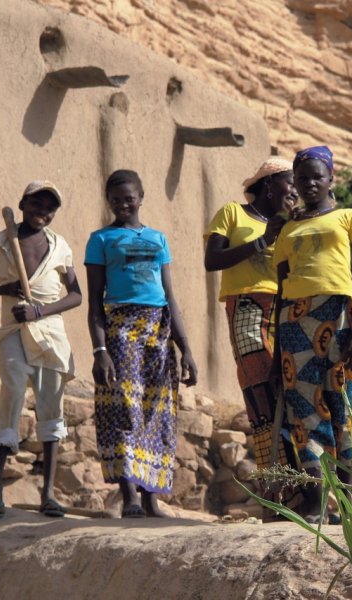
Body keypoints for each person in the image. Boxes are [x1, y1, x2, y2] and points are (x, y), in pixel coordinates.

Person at [273, 146, 352, 522]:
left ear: (332, 177)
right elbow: (280, 287)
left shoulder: (350, 217)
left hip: (338, 319)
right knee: (304, 413)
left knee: (344, 408)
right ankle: (319, 507)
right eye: (302, 179)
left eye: (317, 177)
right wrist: (277, 350)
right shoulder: (289, 228)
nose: (310, 184)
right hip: (294, 323)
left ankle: (351, 509)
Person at [0, 181, 82, 519]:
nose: (42, 212)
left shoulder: (60, 246)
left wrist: (40, 311)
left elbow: (76, 295)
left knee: (50, 403)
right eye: (36, 205)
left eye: (49, 207)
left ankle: (48, 494)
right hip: (14, 330)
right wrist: (6, 289)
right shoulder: (3, 243)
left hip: (50, 334)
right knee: (13, 390)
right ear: (22, 204)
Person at [85, 169, 198, 518]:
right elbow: (94, 303)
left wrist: (186, 349)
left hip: (158, 333)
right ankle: (130, 495)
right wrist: (100, 350)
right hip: (121, 330)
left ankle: (151, 498)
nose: (123, 204)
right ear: (109, 201)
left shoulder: (158, 239)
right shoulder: (101, 240)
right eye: (116, 199)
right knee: (124, 408)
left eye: (129, 197)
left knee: (156, 413)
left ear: (141, 196)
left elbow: (169, 297)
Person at [203, 157, 298, 473]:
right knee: (261, 388)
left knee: (289, 388)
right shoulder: (233, 213)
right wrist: (261, 241)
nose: (294, 190)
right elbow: (212, 260)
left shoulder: (289, 223)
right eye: (290, 182)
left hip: (285, 309)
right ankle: (280, 490)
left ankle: (302, 482)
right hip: (247, 308)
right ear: (269, 184)